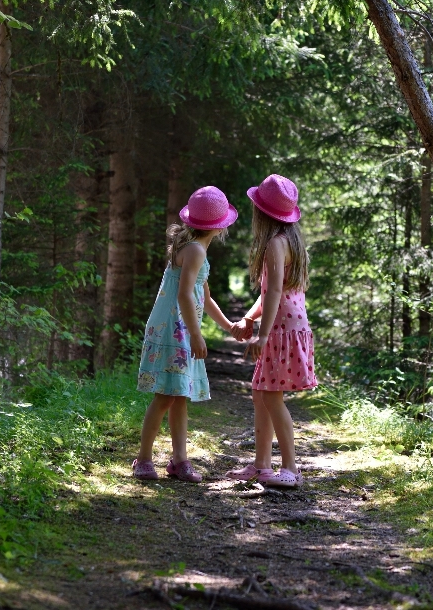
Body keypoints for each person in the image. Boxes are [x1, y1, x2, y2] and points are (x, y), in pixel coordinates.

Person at [133, 186, 238, 482]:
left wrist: (228, 326)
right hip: (173, 328)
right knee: (165, 396)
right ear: (219, 226)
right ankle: (143, 458)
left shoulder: (197, 250)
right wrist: (195, 334)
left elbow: (204, 295)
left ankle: (179, 460)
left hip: (178, 327)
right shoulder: (194, 250)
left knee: (179, 395)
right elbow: (183, 296)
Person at [228, 174, 316, 488]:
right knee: (261, 394)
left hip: (281, 328)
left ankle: (291, 468)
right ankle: (262, 465)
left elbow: (275, 293)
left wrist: (262, 335)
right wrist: (250, 319)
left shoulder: (275, 245)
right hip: (288, 323)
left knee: (272, 397)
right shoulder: (289, 240)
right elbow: (268, 293)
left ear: (262, 214)